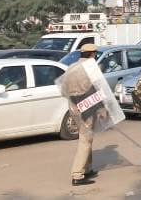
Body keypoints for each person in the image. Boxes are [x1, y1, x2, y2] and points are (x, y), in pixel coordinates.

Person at [59, 43, 103, 186]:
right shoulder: (91, 68)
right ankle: (77, 175)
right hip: (88, 109)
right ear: (93, 54)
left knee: (87, 137)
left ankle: (87, 168)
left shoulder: (72, 67)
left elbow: (63, 90)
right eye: (95, 54)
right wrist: (103, 110)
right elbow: (99, 91)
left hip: (74, 107)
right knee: (85, 139)